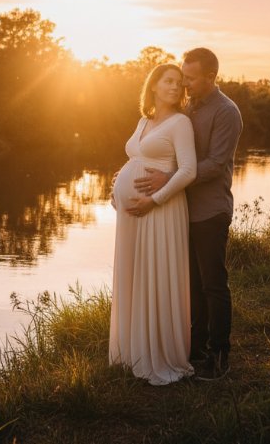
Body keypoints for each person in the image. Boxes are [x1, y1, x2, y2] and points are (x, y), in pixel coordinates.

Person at [135, 47, 243, 380]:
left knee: (213, 284)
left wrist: (170, 178)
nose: (185, 85)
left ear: (211, 77)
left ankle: (219, 355)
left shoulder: (227, 112)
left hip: (210, 210)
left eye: (191, 79)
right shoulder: (189, 106)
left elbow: (214, 164)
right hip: (180, 209)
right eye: (183, 78)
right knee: (192, 287)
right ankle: (196, 348)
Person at [109, 63, 197, 385]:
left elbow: (188, 171)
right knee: (134, 274)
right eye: (168, 81)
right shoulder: (144, 120)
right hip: (132, 213)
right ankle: (131, 351)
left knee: (155, 274)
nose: (175, 87)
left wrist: (154, 199)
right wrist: (118, 184)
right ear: (154, 86)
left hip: (160, 210)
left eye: (179, 83)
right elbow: (136, 157)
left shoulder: (181, 123)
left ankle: (159, 354)